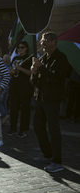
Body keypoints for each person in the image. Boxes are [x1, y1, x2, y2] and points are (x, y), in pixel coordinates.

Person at [31, 31, 71, 173]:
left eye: (46, 40)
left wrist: (40, 67)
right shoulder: (43, 58)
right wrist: (34, 72)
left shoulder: (61, 58)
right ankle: (47, 154)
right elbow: (34, 81)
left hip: (52, 99)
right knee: (38, 127)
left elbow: (55, 77)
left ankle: (57, 161)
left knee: (54, 130)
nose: (43, 43)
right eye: (42, 40)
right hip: (40, 98)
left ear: (54, 41)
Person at [7, 41, 33, 138]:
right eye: (18, 47)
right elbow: (11, 70)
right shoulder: (15, 58)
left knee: (25, 108)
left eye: (22, 47)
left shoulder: (30, 58)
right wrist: (12, 72)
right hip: (14, 85)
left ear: (26, 48)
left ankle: (23, 129)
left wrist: (20, 69)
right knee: (13, 107)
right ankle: (12, 128)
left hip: (25, 86)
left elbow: (31, 73)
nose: (20, 49)